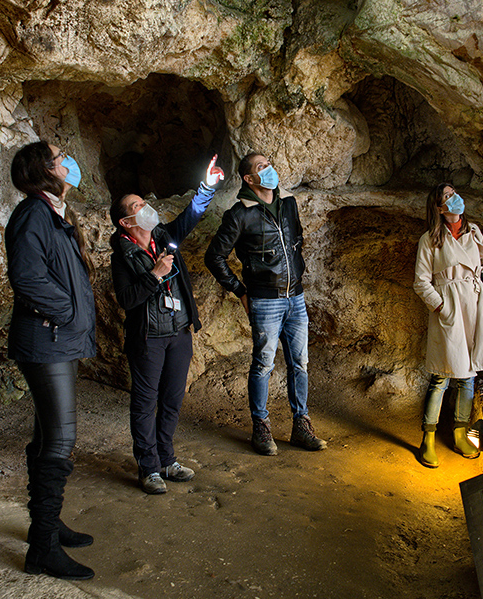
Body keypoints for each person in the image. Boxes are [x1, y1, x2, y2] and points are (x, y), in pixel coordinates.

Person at [5, 141, 97, 580]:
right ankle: (42, 547)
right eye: (61, 157)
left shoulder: (54, 214)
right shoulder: (33, 215)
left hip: (59, 339)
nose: (69, 163)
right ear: (44, 169)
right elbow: (26, 277)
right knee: (60, 441)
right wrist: (66, 312)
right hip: (47, 338)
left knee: (47, 436)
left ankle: (45, 525)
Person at [110, 155, 225, 495]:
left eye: (143, 201)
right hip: (148, 338)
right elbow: (127, 299)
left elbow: (190, 218)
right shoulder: (123, 256)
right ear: (125, 220)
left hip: (178, 332)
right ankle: (148, 468)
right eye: (136, 205)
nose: (144, 207)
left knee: (173, 399)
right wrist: (154, 275)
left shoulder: (163, 236)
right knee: (146, 403)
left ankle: (167, 459)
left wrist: (207, 186)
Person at [205, 152, 326, 455]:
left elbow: (295, 242)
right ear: (249, 179)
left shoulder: (287, 203)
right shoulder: (239, 214)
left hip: (295, 297)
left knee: (300, 363)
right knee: (263, 365)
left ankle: (301, 425)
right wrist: (240, 291)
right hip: (265, 301)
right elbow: (214, 257)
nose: (269, 170)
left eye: (269, 163)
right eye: (262, 167)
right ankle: (261, 426)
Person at [412, 183, 483, 468]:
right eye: (447, 197)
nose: (454, 198)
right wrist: (441, 306)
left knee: (468, 375)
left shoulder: (473, 233)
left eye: (454, 193)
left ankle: (460, 433)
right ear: (439, 207)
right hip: (449, 309)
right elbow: (421, 281)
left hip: (473, 305)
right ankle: (428, 437)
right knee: (441, 376)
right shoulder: (431, 239)